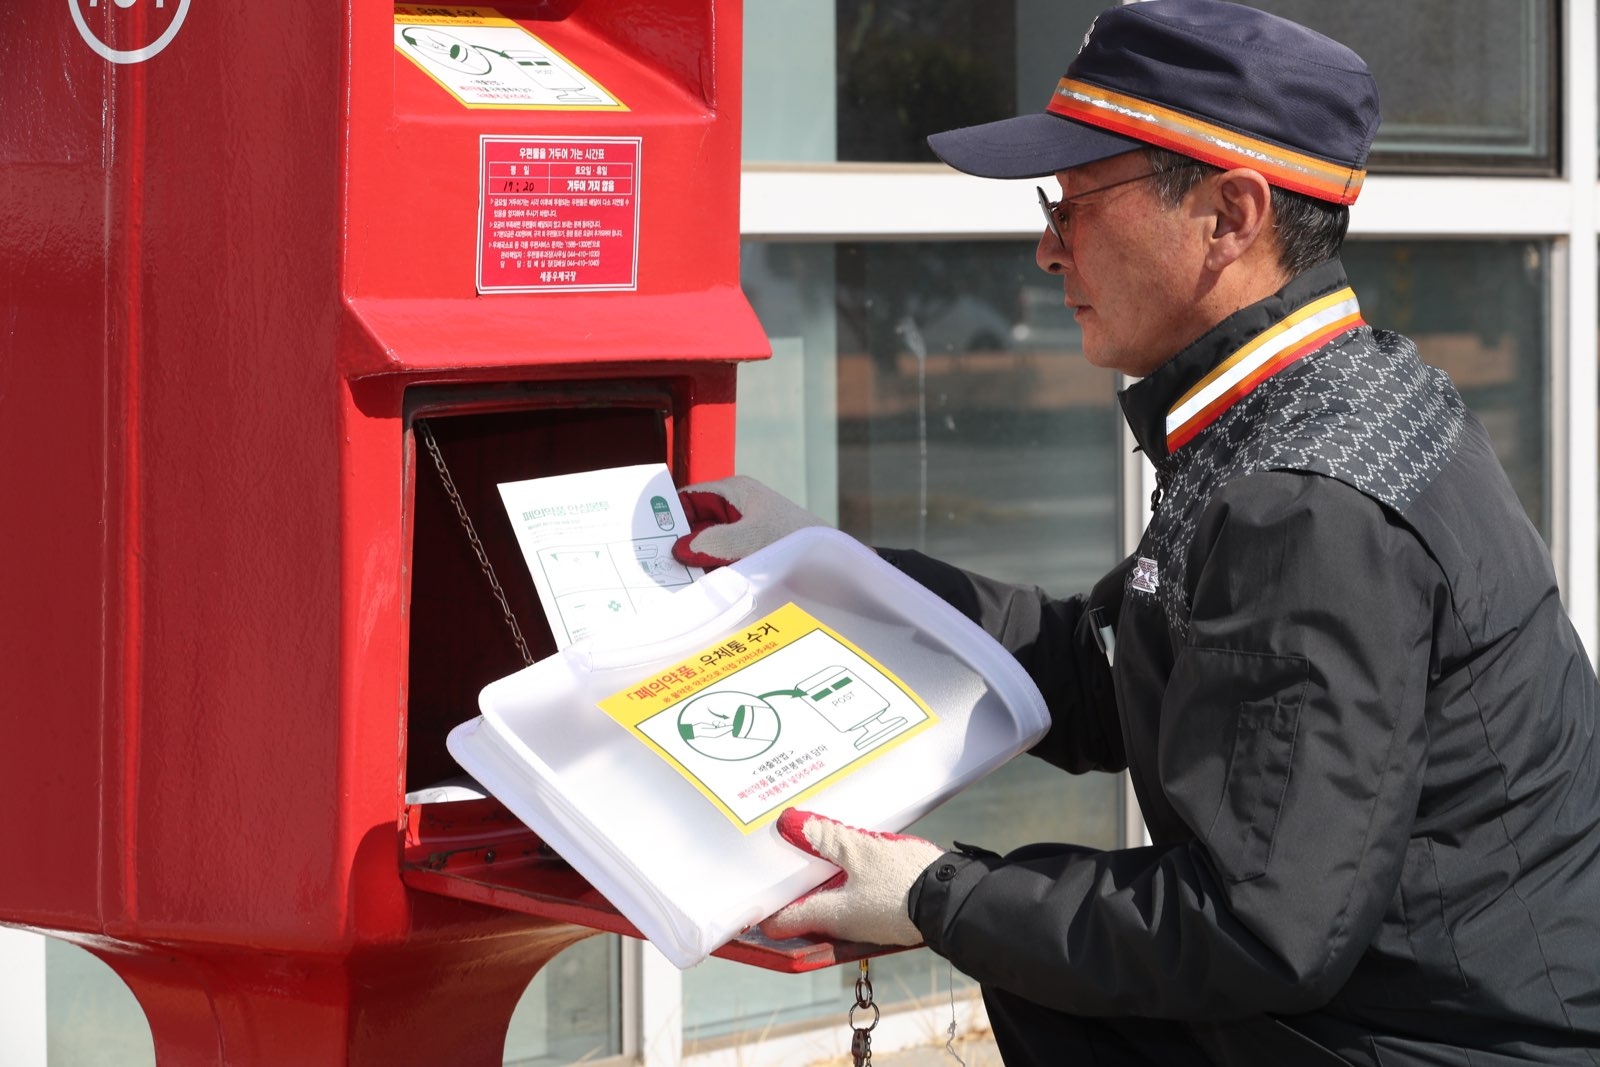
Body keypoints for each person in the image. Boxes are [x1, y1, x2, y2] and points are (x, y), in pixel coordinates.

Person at [672, 2, 1600, 1064]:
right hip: (1423, 1000)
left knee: (1063, 963)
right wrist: (831, 575)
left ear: (1229, 214)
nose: (1044, 249)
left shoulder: (1302, 504)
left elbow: (1255, 926)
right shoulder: (1326, 399)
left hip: (1444, 1039)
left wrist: (933, 892)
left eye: (1074, 206)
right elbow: (1110, 666)